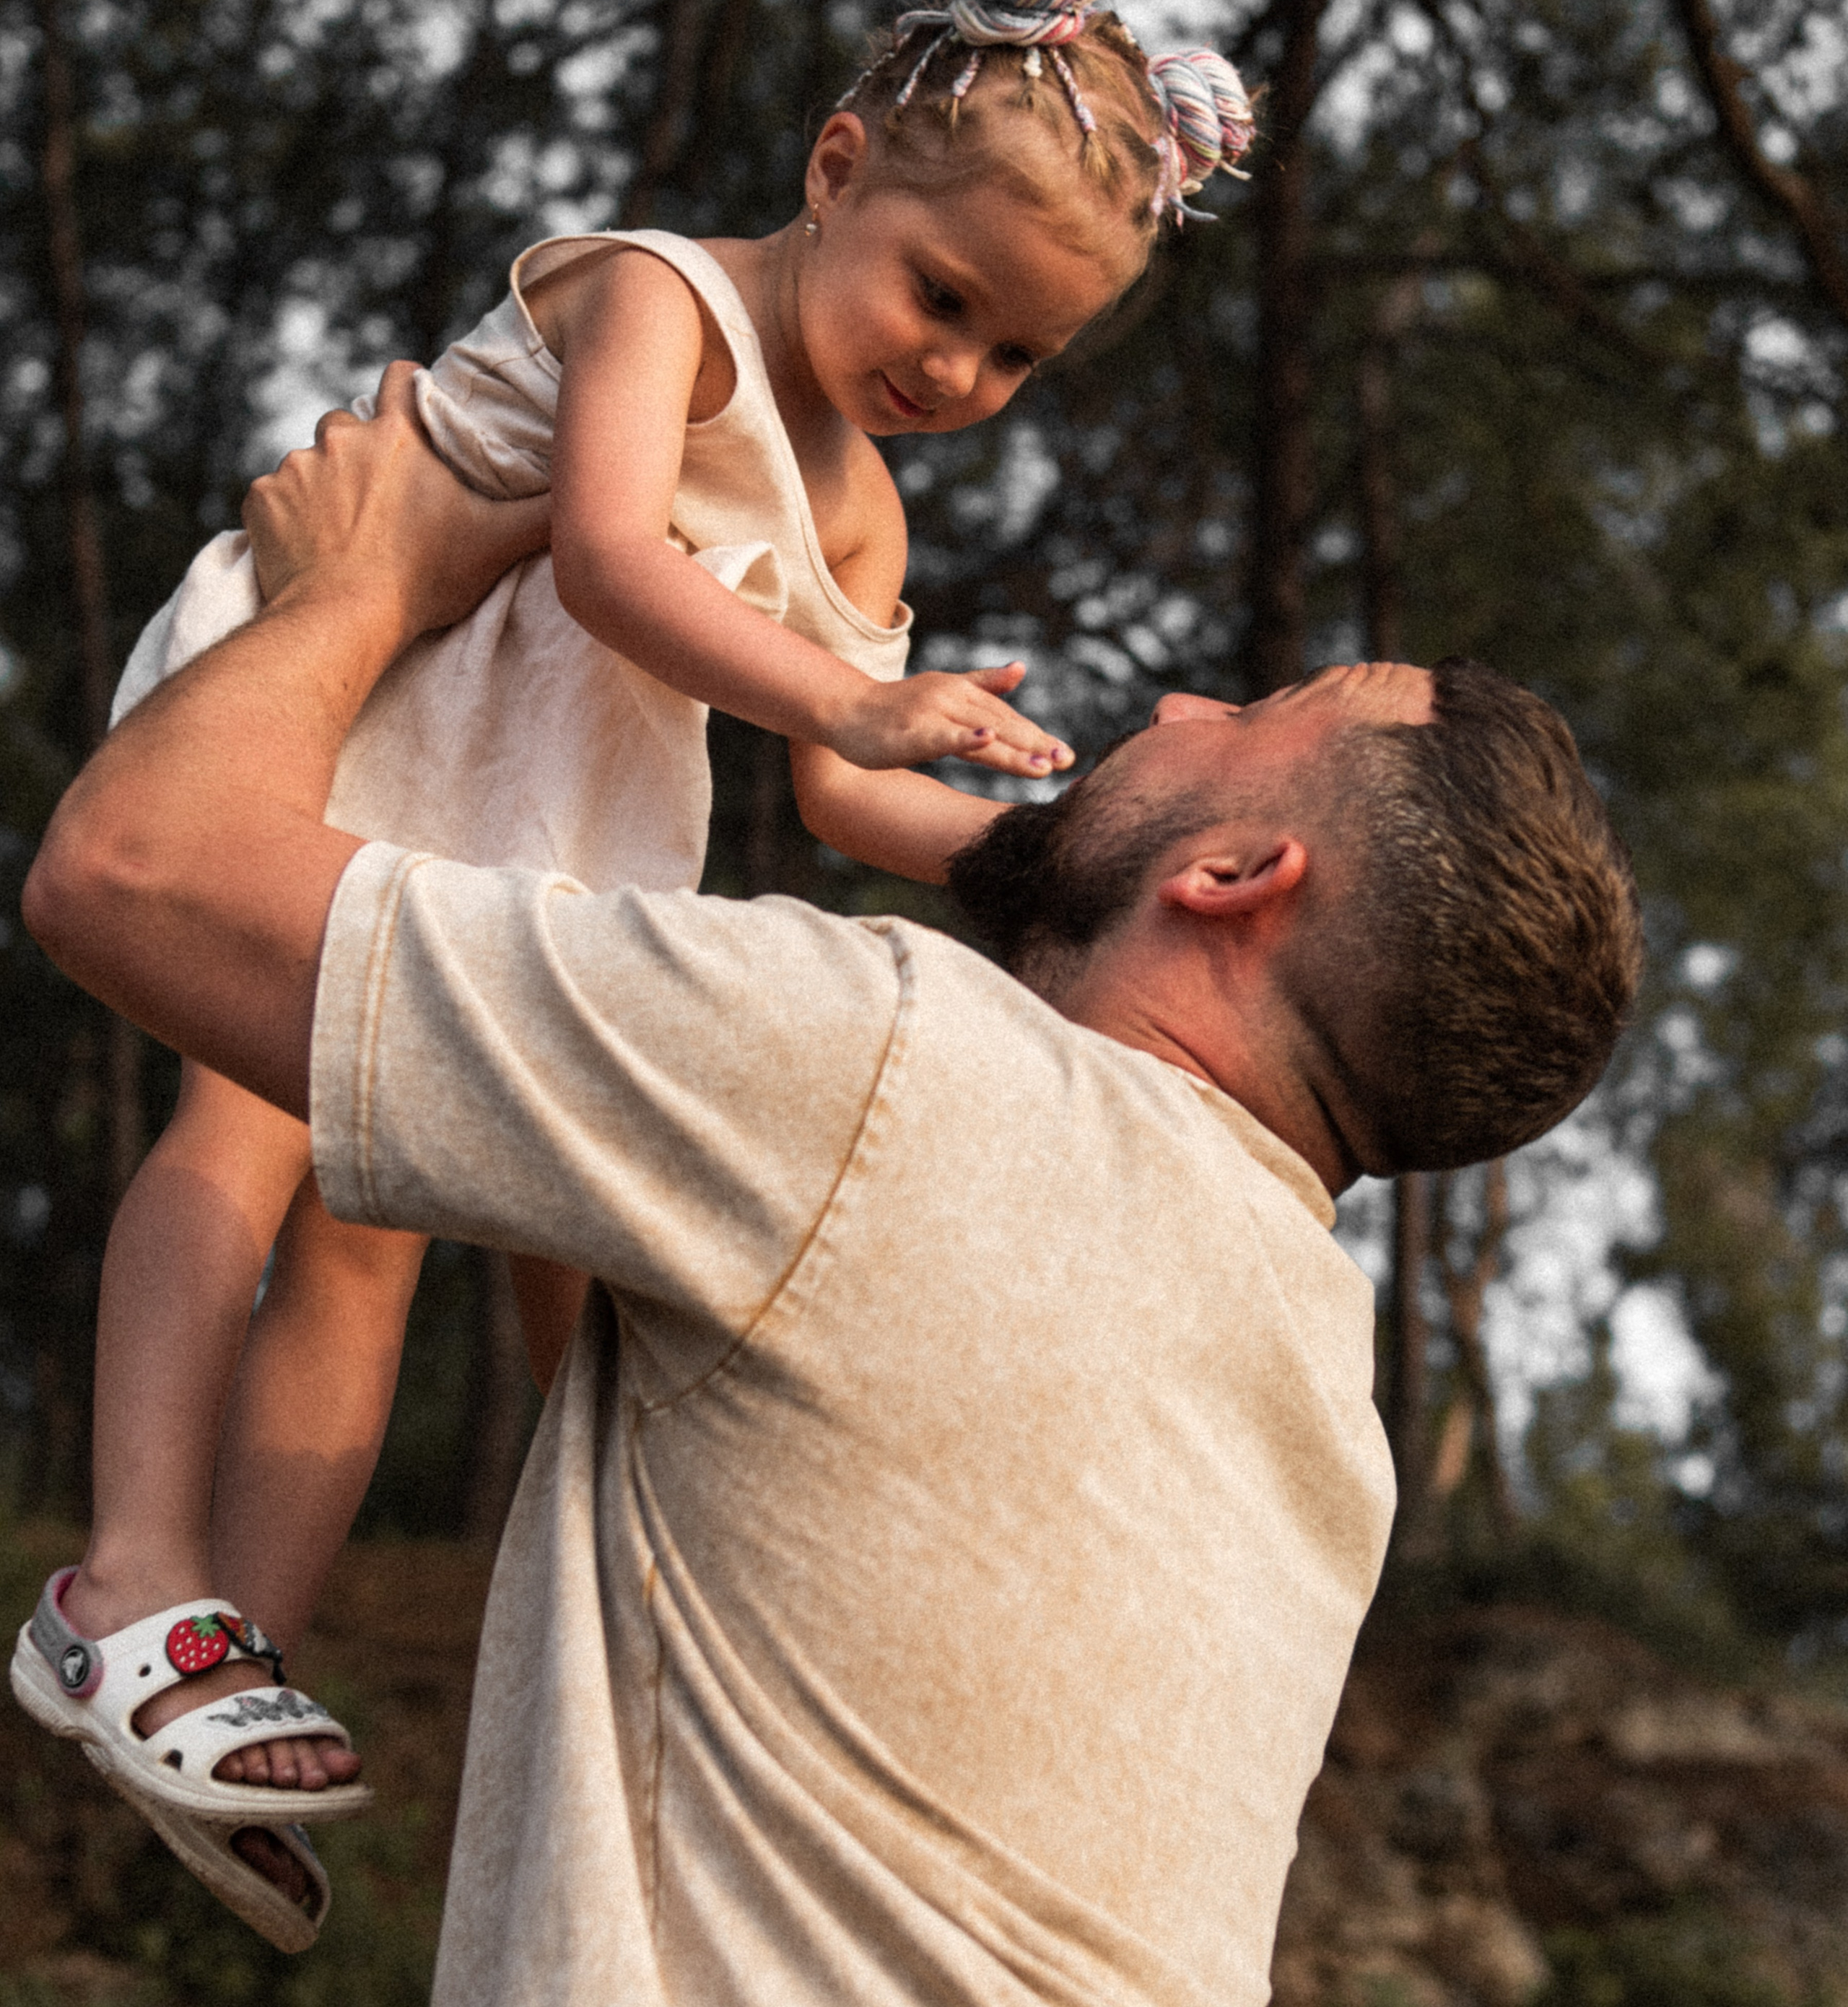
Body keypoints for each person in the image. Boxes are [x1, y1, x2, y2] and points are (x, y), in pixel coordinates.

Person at [18, 367, 1643, 1996]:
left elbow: (130, 873)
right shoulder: (1318, 1434)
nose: (1170, 713)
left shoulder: (896, 1073)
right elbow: (669, 1438)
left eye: (1240, 719)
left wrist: (364, 581)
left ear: (1230, 876)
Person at [10, 0, 1263, 1934]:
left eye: (1018, 351)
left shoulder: (865, 503)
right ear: (835, 171)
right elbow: (603, 560)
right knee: (232, 1147)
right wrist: (851, 690)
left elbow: (842, 791)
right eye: (943, 296)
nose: (957, 367)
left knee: (370, 1251)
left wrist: (1031, 858)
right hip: (365, 703)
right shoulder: (657, 298)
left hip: (527, 817)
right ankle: (124, 1581)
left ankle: (228, 1663)